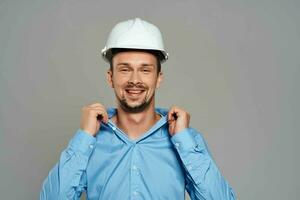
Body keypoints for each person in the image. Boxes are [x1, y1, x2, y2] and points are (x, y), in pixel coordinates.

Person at [40, 18, 236, 200]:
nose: (135, 80)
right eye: (125, 69)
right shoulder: (91, 139)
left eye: (145, 70)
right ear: (110, 77)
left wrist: (183, 140)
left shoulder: (186, 140)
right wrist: (84, 137)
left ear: (158, 78)